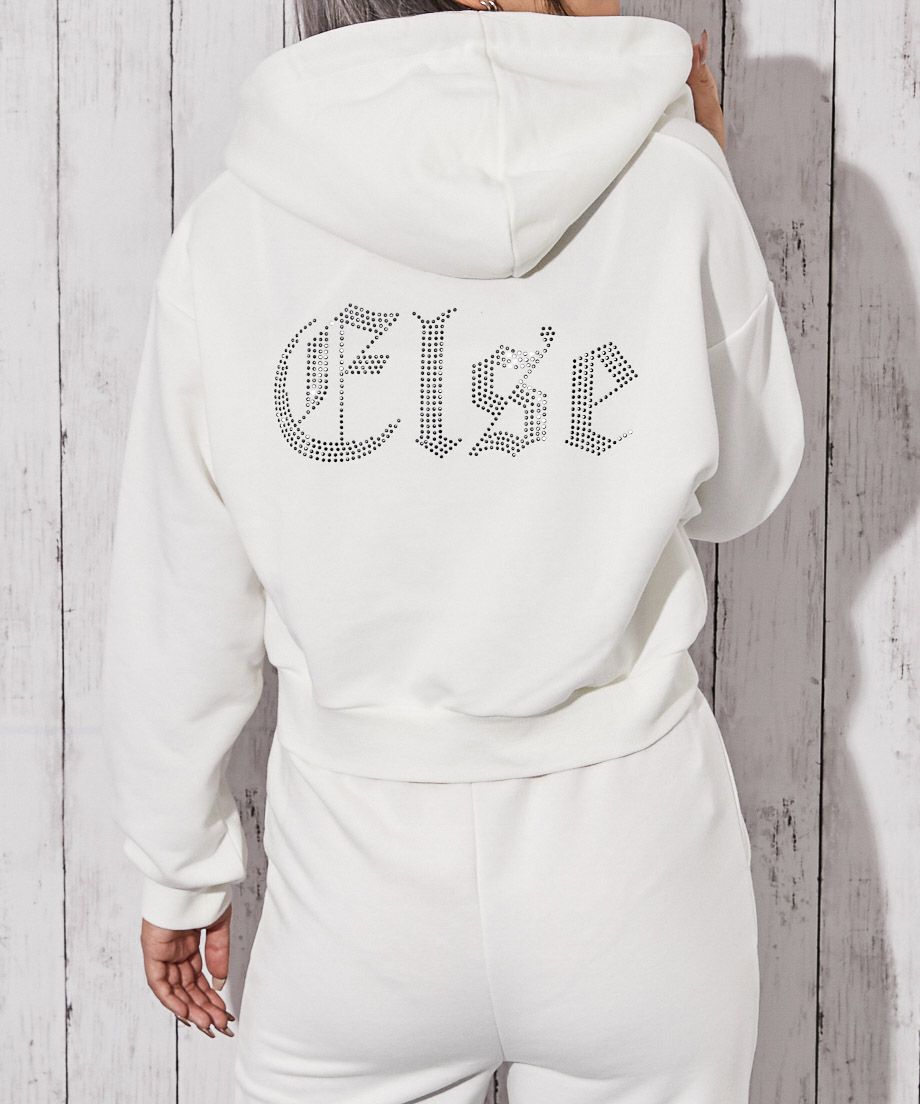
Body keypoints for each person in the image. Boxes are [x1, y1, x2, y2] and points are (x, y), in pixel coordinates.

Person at [99, 0, 805, 1100]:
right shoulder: (672, 183)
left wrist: (180, 870)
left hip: (357, 878)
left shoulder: (235, 223)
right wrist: (707, 171)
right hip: (634, 868)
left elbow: (180, 593)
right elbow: (745, 489)